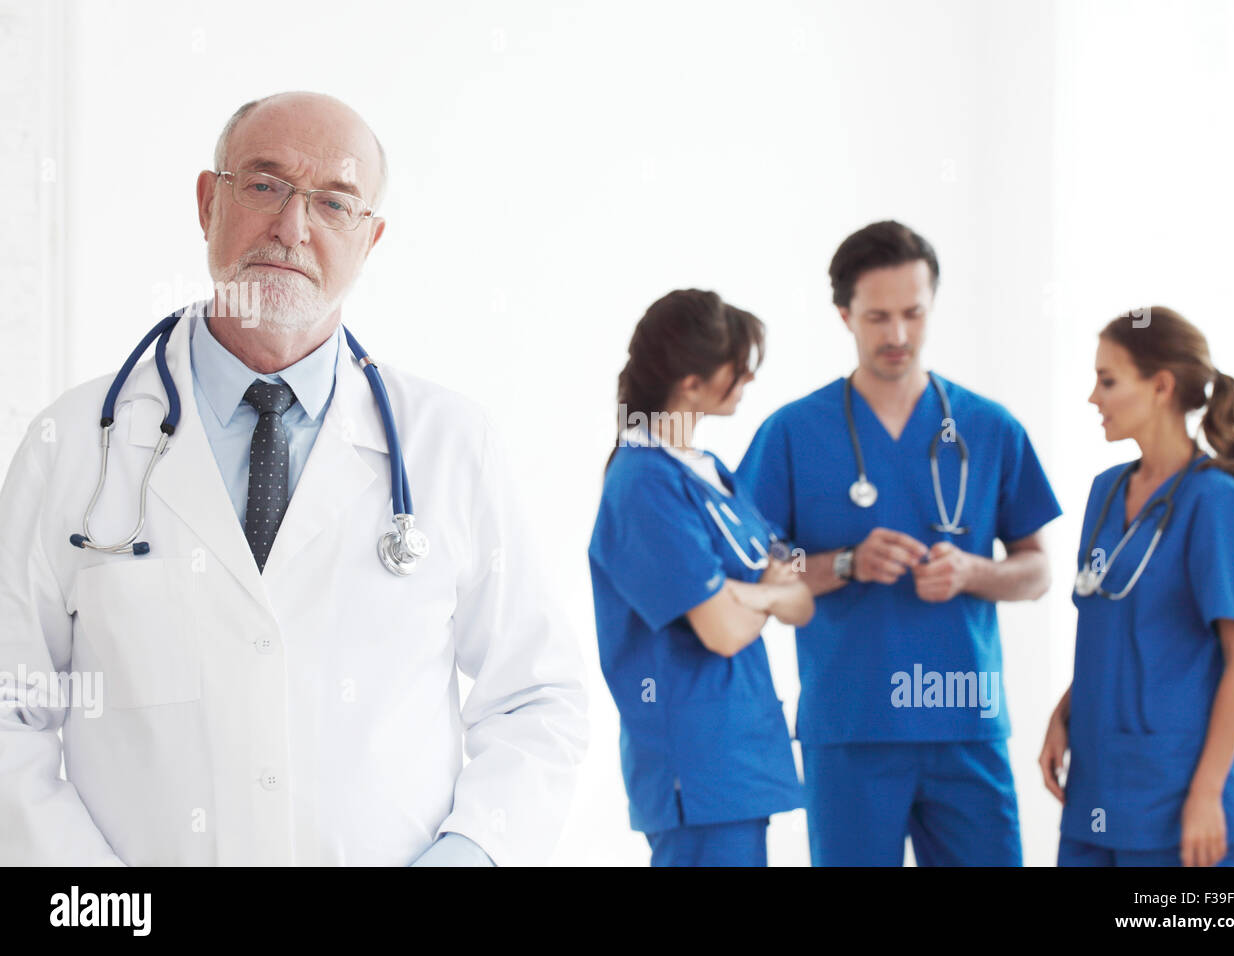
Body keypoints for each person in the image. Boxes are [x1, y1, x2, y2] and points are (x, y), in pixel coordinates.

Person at [0, 91, 586, 866]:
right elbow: (13, 706)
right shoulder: (73, 443)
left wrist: (469, 856)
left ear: (370, 238)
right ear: (209, 202)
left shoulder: (450, 445)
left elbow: (537, 699)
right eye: (265, 185)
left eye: (335, 203)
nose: (292, 228)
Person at [735, 221, 1061, 866]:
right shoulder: (793, 433)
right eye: (878, 317)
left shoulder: (989, 428)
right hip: (852, 727)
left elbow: (1037, 570)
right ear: (844, 315)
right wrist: (844, 564)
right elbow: (756, 576)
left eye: (913, 314)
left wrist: (973, 572)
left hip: (965, 722)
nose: (898, 336)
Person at [588, 289, 810, 866]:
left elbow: (800, 592)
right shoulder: (643, 484)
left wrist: (744, 592)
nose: (748, 381)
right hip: (699, 770)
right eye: (738, 368)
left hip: (741, 759)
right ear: (690, 380)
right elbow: (724, 633)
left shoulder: (712, 472)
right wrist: (765, 591)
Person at [1039, 306, 1234, 867]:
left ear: (1161, 386)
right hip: (1095, 790)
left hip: (1177, 799)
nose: (1093, 397)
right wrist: (1064, 712)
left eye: (1108, 380)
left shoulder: (1215, 502)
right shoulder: (1105, 493)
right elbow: (1113, 628)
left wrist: (1208, 793)